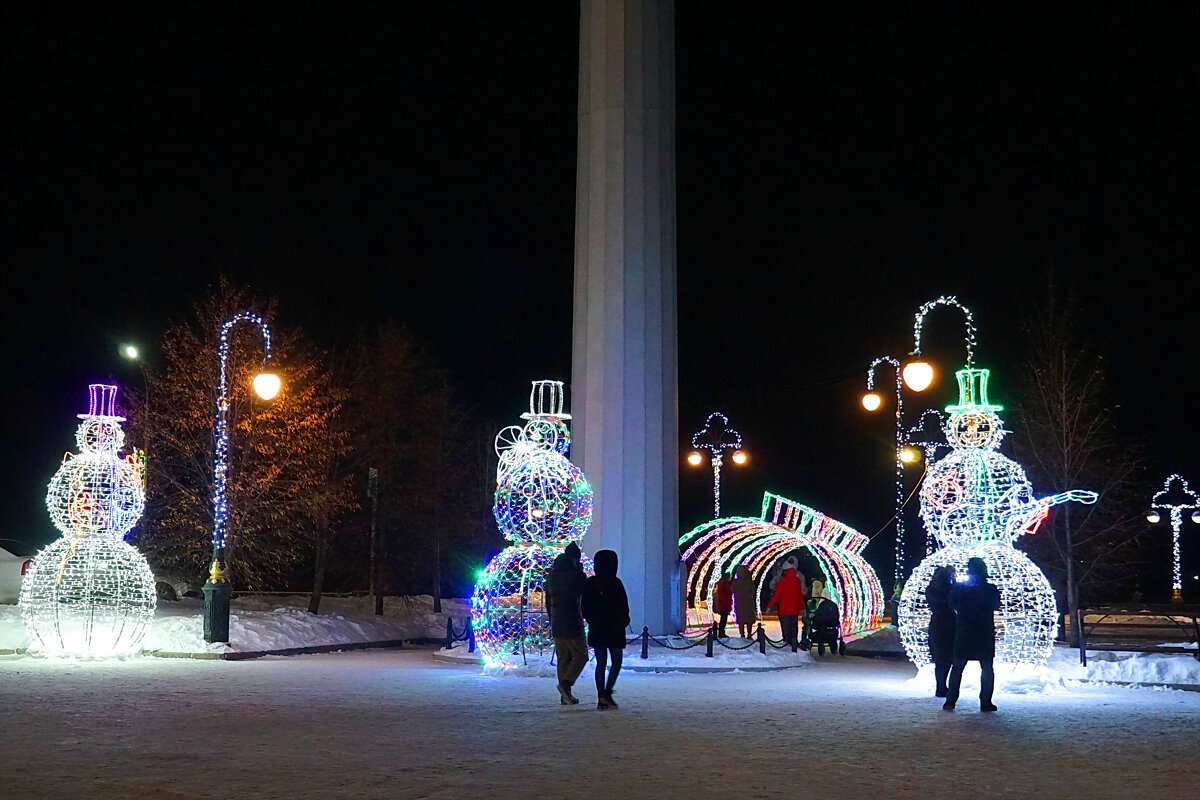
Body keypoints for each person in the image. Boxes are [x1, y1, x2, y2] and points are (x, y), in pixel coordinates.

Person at [944, 557, 1002, 712]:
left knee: (957, 668)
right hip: (984, 632)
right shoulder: (990, 589)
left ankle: (951, 700)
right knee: (987, 669)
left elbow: (952, 604)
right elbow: (996, 605)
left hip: (965, 631)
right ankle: (985, 702)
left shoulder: (961, 588)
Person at [581, 549, 630, 710]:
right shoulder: (616, 583)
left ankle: (601, 695)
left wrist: (592, 619)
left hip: (598, 628)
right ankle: (607, 692)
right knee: (616, 661)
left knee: (601, 662)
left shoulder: (590, 583)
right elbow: (624, 606)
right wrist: (622, 621)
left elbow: (585, 606)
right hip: (614, 628)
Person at [545, 541, 588, 705]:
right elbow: (582, 591)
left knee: (563, 658)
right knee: (581, 656)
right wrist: (580, 572)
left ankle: (565, 696)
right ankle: (566, 684)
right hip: (572, 621)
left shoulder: (552, 576)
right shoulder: (576, 574)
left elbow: (548, 600)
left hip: (556, 622)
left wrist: (552, 618)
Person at [925, 565, 957, 698]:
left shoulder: (931, 589)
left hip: (938, 624)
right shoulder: (947, 589)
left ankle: (941, 686)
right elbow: (953, 603)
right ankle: (942, 686)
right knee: (946, 658)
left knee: (941, 658)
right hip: (948, 624)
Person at [767, 563, 805, 649]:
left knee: (786, 629)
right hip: (794, 609)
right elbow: (800, 596)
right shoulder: (797, 581)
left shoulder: (782, 581)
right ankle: (794, 644)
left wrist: (770, 606)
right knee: (793, 628)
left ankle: (787, 645)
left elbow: (777, 595)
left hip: (784, 609)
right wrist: (803, 608)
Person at [732, 567, 758, 638]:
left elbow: (733, 591)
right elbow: (753, 592)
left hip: (739, 603)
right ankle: (749, 634)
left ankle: (742, 634)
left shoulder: (735, 582)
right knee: (749, 619)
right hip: (748, 603)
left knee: (741, 620)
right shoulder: (749, 582)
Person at [712, 572, 733, 638]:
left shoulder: (721, 583)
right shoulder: (725, 584)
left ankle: (721, 632)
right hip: (724, 604)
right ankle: (721, 633)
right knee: (723, 619)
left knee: (723, 619)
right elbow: (727, 594)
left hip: (722, 604)